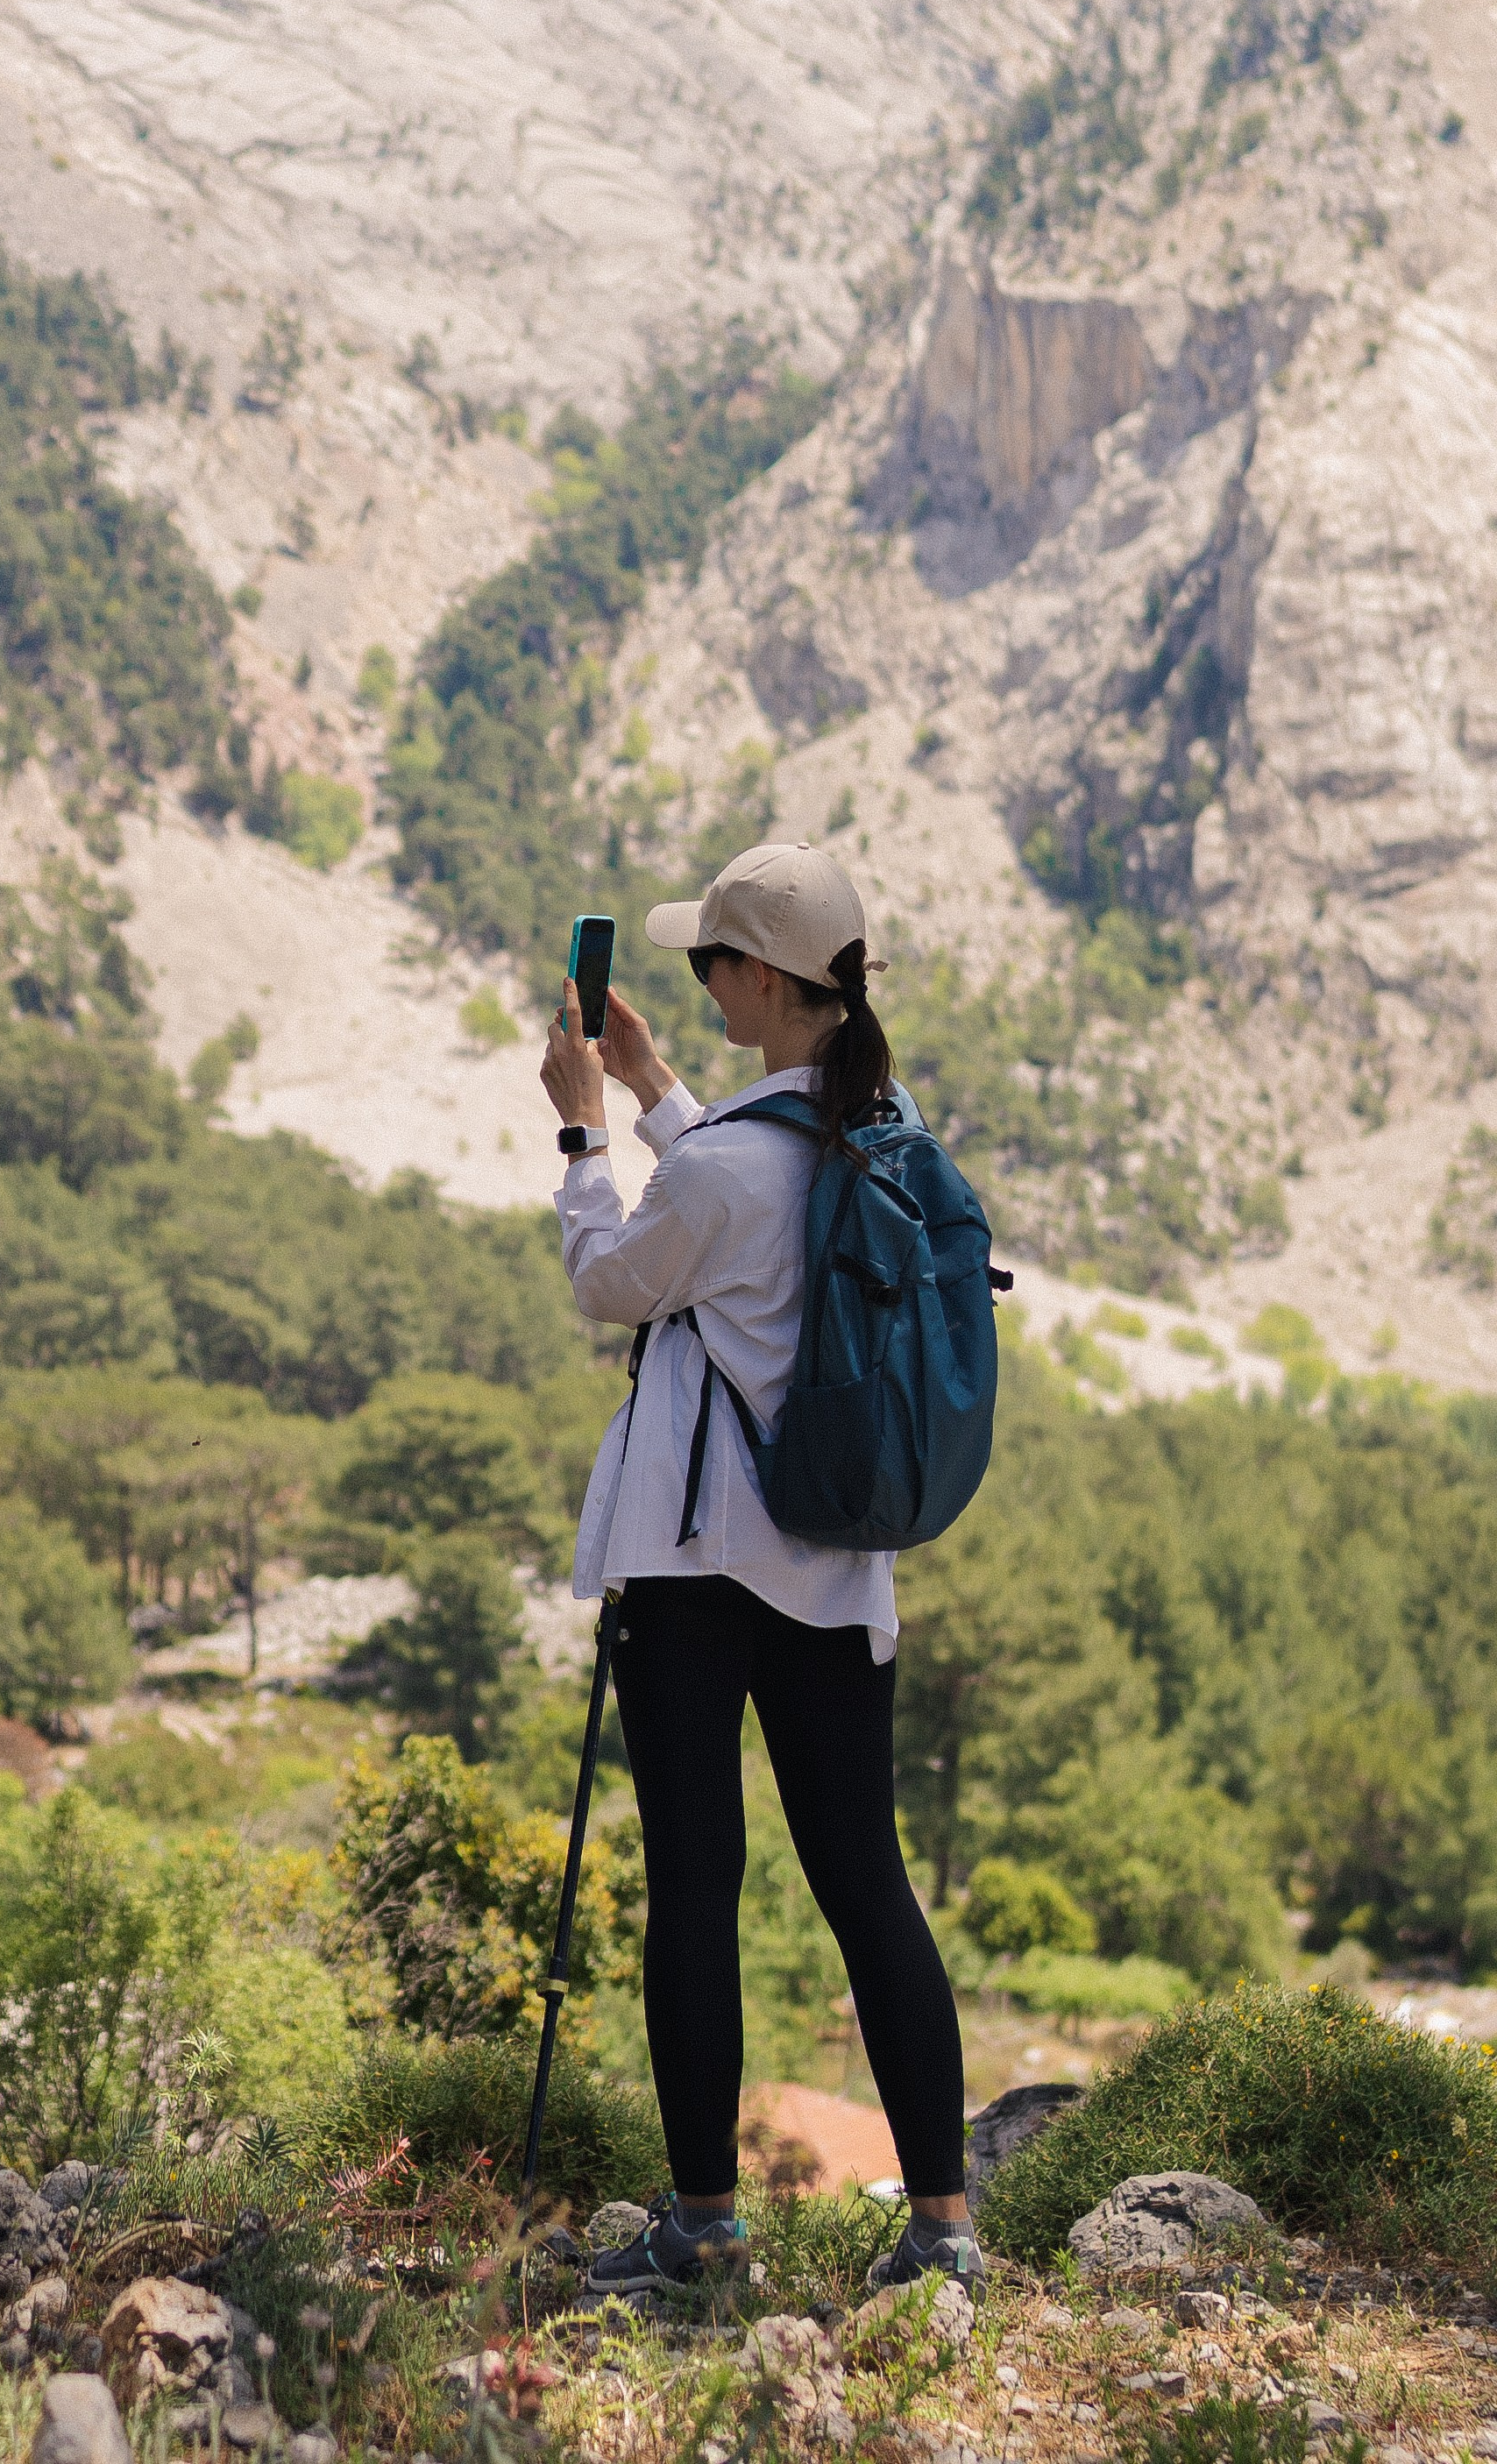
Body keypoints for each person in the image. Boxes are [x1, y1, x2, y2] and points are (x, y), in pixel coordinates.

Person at [540, 838, 983, 2298]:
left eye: (708, 959)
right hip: (839, 1567)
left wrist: (585, 1132)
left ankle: (707, 2233)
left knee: (699, 1886)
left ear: (758, 980)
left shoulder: (723, 1166)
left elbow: (617, 1276)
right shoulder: (888, 1137)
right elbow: (750, 1185)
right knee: (869, 1886)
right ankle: (944, 2235)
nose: (696, 977)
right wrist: (667, 1092)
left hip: (695, 1572)